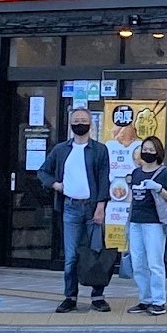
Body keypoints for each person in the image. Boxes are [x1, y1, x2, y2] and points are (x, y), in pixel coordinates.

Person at [36, 108, 112, 313]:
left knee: (95, 252)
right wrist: (55, 184)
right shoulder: (61, 150)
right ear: (70, 124)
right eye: (76, 120)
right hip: (70, 207)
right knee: (71, 256)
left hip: (93, 207)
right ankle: (70, 296)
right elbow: (43, 171)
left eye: (83, 120)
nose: (80, 123)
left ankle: (98, 296)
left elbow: (104, 178)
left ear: (91, 123)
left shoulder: (99, 150)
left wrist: (101, 206)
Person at [125, 135, 167, 316]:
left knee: (155, 263)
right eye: (144, 149)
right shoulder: (136, 173)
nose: (147, 152)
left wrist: (158, 188)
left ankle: (158, 301)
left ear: (158, 152)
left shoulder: (165, 173)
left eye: (151, 150)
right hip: (135, 222)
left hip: (154, 223)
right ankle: (145, 299)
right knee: (138, 263)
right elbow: (132, 198)